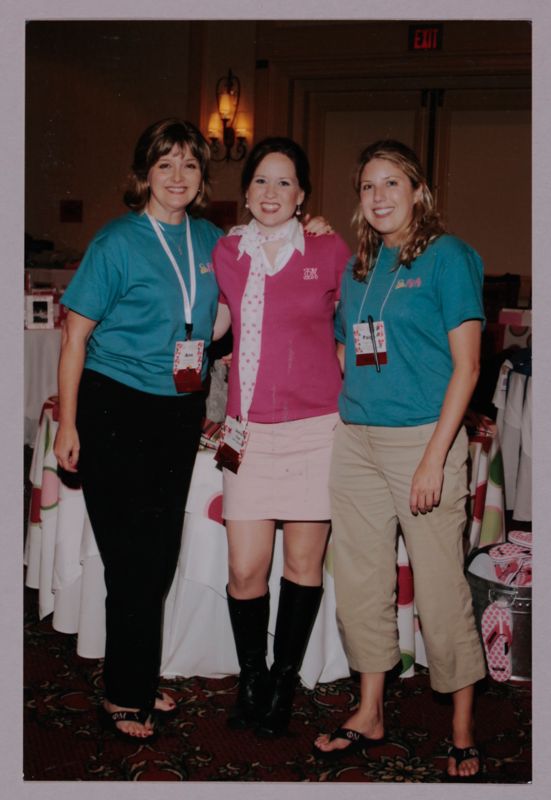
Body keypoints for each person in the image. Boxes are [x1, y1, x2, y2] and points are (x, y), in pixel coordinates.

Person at [312, 140, 487, 780]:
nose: (379, 197)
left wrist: (435, 457)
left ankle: (463, 725)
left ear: (418, 191)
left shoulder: (450, 258)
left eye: (392, 184)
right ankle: (370, 709)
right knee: (361, 582)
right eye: (367, 186)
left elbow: (468, 366)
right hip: (356, 440)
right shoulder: (359, 266)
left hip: (424, 441)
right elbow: (343, 346)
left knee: (440, 587)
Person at [53, 118, 226, 741]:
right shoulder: (117, 241)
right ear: (144, 174)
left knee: (158, 558)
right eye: (165, 165)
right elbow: (74, 338)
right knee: (131, 558)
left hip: (177, 409)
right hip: (112, 407)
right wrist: (68, 425)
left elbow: (242, 291)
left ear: (203, 178)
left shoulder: (212, 239)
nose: (178, 177)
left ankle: (138, 672)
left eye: (189, 165)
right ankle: (125, 692)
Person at [212, 137, 352, 737]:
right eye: (261, 182)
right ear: (246, 191)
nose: (271, 193)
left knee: (302, 565)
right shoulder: (227, 252)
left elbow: (358, 327)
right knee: (246, 569)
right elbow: (211, 323)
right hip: (247, 433)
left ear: (303, 196)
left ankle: (283, 685)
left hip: (317, 430)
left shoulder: (330, 248)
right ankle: (252, 677)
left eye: (285, 183)